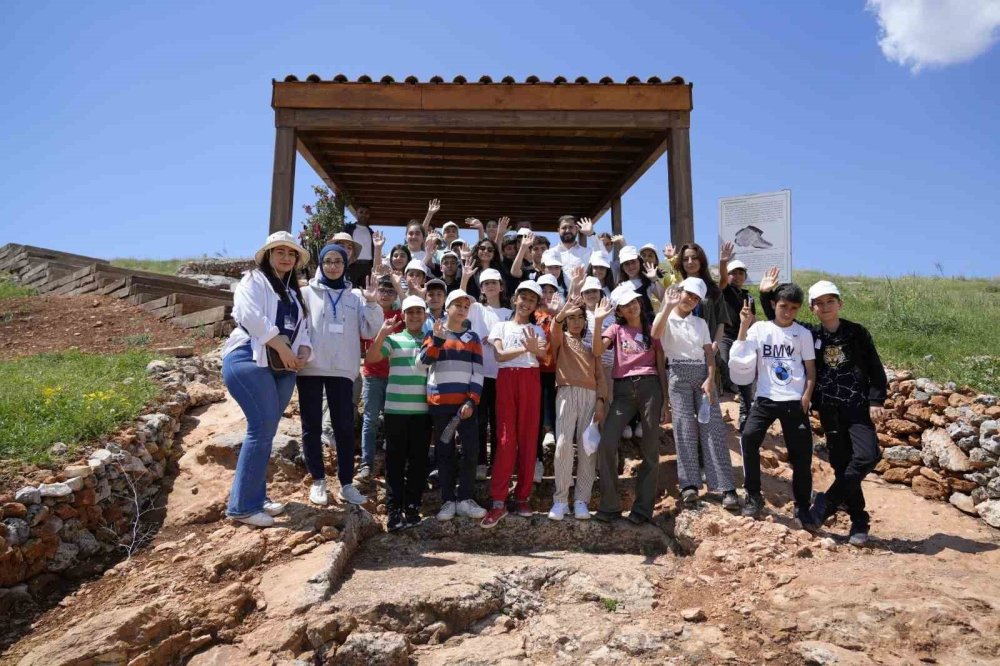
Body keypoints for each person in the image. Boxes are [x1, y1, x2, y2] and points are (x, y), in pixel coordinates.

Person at [759, 271, 885, 546]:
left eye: (830, 301)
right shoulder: (809, 333)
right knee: (841, 464)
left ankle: (826, 503)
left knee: (867, 455)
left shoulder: (856, 332)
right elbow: (779, 318)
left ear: (839, 303)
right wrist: (765, 294)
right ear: (813, 308)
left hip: (857, 407)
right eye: (819, 303)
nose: (825, 307)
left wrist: (876, 400)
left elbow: (875, 367)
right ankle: (859, 522)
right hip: (828, 410)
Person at [222, 232, 313, 528]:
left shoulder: (293, 291)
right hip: (250, 358)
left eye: (291, 253)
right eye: (280, 252)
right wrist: (282, 346)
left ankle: (256, 498)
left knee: (267, 431)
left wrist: (303, 350)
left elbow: (302, 329)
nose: (286, 258)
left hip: (283, 366)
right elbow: (249, 314)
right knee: (260, 430)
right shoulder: (253, 280)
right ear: (268, 255)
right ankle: (242, 507)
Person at [298, 244, 384, 507]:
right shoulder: (305, 293)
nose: (333, 266)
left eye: (338, 261)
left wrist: (372, 302)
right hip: (310, 367)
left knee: (344, 428)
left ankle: (346, 484)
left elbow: (372, 330)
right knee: (311, 427)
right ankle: (318, 482)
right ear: (321, 264)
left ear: (346, 265)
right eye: (328, 261)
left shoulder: (356, 296)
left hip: (343, 371)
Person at [728, 281, 817, 528]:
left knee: (801, 456)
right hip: (765, 398)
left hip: (793, 401)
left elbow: (810, 369)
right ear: (773, 305)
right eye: (783, 306)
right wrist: (744, 325)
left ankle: (802, 507)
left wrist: (807, 395)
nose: (787, 312)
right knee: (748, 438)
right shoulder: (760, 330)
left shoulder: (803, 334)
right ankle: (754, 496)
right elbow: (741, 355)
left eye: (793, 308)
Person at [652, 279, 739, 510]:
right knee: (683, 429)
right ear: (679, 292)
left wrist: (710, 379)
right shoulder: (666, 317)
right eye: (688, 294)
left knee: (713, 429)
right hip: (677, 374)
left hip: (702, 375)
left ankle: (725, 487)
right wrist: (667, 306)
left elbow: (709, 354)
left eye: (695, 298)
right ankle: (688, 485)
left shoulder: (700, 323)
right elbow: (655, 333)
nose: (690, 299)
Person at [593, 284, 667, 524]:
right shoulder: (615, 329)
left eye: (634, 301)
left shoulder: (651, 328)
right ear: (620, 311)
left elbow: (659, 362)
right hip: (623, 389)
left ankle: (643, 509)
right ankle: (610, 505)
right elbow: (596, 350)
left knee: (650, 448)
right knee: (607, 443)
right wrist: (597, 322)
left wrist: (665, 400)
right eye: (625, 305)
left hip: (650, 388)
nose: (632, 306)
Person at [482, 281, 548, 528]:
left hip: (530, 379)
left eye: (532, 300)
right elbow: (499, 355)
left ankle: (522, 497)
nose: (527, 303)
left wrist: (532, 349)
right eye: (524, 298)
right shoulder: (501, 325)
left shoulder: (538, 330)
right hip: (507, 379)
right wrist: (525, 347)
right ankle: (498, 501)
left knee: (529, 438)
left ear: (535, 306)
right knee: (506, 439)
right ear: (515, 299)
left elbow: (542, 354)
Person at [418, 289, 488, 521]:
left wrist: (471, 400)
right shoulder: (434, 332)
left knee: (470, 450)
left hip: (465, 406)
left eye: (465, 306)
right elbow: (422, 364)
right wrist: (436, 341)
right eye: (457, 304)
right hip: (440, 404)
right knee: (444, 452)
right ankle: (448, 500)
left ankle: (465, 498)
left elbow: (478, 372)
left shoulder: (473, 338)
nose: (462, 309)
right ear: (447, 308)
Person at [366, 296, 433, 531]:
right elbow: (372, 358)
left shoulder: (431, 340)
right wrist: (382, 334)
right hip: (395, 410)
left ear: (425, 315)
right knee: (394, 462)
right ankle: (394, 510)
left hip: (423, 412)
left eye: (419, 312)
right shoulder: (393, 340)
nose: (415, 316)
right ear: (403, 316)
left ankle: (413, 507)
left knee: (418, 462)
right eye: (410, 312)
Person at [548, 295, 607, 520]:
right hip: (565, 392)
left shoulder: (591, 346)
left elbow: (600, 374)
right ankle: (560, 500)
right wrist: (561, 314)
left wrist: (601, 401)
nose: (575, 322)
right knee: (563, 444)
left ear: (585, 321)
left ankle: (581, 500)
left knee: (587, 449)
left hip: (590, 396)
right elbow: (554, 331)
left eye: (580, 318)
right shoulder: (561, 339)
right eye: (571, 318)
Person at [462, 268, 512, 479]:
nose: (490, 286)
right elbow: (459, 300)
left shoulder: (510, 313)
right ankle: (481, 462)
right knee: (480, 421)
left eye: (494, 282)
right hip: (479, 373)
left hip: (502, 374)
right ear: (481, 289)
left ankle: (499, 462)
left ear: (501, 286)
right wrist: (465, 277)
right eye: (485, 283)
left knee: (500, 420)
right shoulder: (476, 309)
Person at [357, 275, 403, 480]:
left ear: (395, 295)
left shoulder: (401, 315)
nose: (385, 294)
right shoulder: (366, 312)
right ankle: (366, 464)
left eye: (389, 291)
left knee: (393, 421)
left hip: (395, 376)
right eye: (382, 290)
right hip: (372, 374)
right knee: (370, 419)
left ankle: (393, 463)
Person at [719, 259, 758, 431]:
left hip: (743, 338)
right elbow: (721, 280)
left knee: (746, 370)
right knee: (724, 361)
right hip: (725, 336)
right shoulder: (723, 290)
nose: (737, 276)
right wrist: (723, 263)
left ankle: (745, 410)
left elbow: (754, 320)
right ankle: (733, 388)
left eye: (741, 273)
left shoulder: (749, 297)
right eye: (733, 273)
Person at [461, 238, 505, 302]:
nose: (486, 251)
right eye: (482, 248)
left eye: (490, 249)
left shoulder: (500, 271)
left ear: (494, 253)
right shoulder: (470, 270)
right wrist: (463, 258)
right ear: (477, 250)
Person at [344, 204, 375, 285]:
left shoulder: (371, 232)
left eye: (366, 212)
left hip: (367, 267)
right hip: (352, 266)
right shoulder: (348, 229)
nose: (363, 214)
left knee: (366, 293)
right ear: (356, 213)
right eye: (361, 212)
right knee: (350, 292)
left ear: (369, 215)